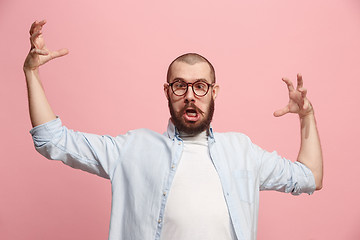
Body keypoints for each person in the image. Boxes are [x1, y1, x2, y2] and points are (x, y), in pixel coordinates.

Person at [24, 20, 323, 240]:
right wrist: (32, 73)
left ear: (214, 92)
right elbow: (52, 140)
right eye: (180, 85)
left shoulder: (243, 151)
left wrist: (306, 116)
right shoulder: (131, 149)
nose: (190, 95)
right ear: (167, 91)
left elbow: (309, 178)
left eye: (200, 86)